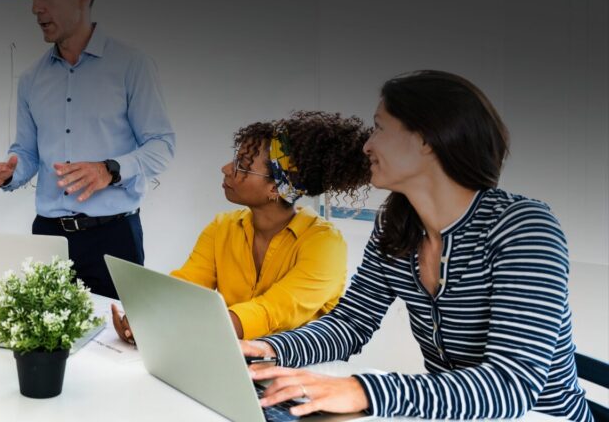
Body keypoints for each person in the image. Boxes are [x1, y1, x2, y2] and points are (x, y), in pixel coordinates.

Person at [243, 71, 593, 421]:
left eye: (380, 127)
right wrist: (269, 349)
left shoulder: (522, 227)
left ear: (426, 138)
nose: (367, 145)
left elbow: (511, 384)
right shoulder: (394, 227)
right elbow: (352, 322)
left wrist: (364, 389)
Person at [0, 0, 175, 298]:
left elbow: (161, 146)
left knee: (119, 344)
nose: (36, 8)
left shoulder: (131, 65)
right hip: (49, 236)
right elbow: (27, 153)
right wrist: (10, 172)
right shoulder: (31, 79)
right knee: (48, 345)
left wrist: (109, 169)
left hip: (113, 236)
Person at [111, 111, 372, 343]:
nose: (225, 169)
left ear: (275, 187)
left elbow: (272, 311)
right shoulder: (222, 227)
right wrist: (146, 315)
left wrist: (169, 324)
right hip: (230, 355)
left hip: (297, 374)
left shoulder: (324, 244)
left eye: (242, 167)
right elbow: (186, 286)